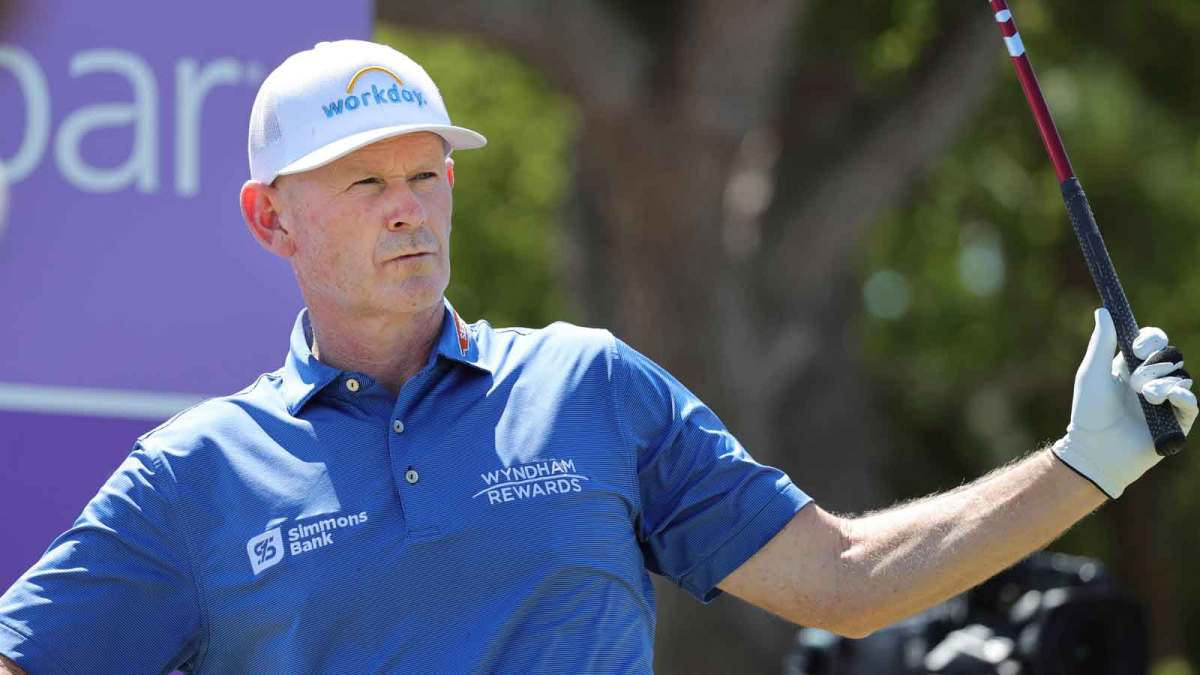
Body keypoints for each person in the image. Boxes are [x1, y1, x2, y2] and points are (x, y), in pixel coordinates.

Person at [0, 39, 1194, 674]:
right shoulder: (195, 474)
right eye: (366, 183)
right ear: (272, 220)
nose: (409, 209)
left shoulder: (591, 385)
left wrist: (1085, 465)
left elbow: (842, 579)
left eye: (426, 175)